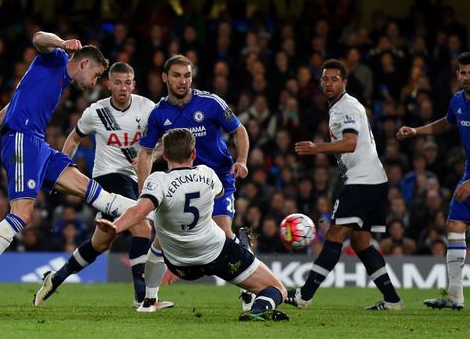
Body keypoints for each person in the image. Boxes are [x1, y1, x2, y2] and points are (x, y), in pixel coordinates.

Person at [0, 31, 143, 314]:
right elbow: (38, 37)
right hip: (22, 140)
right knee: (22, 213)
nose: (94, 84)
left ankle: (151, 210)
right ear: (84, 63)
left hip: (38, 145)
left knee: (89, 189)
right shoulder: (55, 59)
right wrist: (64, 43)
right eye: (97, 75)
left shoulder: (56, 82)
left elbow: (1, 115)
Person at [97, 128, 288, 322]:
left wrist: (116, 227)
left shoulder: (157, 181)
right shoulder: (208, 174)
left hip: (178, 264)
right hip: (217, 254)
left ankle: (149, 299)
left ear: (164, 155)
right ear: (193, 154)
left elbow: (139, 211)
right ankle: (258, 307)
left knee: (160, 235)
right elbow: (221, 193)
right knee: (277, 289)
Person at [34, 62, 173, 310]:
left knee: (101, 243)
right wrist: (62, 170)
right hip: (107, 177)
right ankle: (142, 297)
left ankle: (55, 278)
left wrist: (151, 155)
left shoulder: (148, 108)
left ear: (134, 84)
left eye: (127, 82)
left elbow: (165, 142)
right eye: (117, 82)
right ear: (109, 84)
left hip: (132, 180)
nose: (123, 88)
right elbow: (74, 137)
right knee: (142, 225)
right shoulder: (96, 112)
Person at [396, 51, 470, 314]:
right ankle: (455, 295)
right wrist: (416, 131)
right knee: (454, 224)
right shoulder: (457, 101)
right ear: (457, 74)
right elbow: (446, 123)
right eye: (462, 72)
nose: (467, 77)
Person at [135, 55, 253, 311]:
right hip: (179, 183)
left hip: (217, 179)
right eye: (177, 75)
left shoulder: (210, 103)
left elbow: (239, 130)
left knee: (224, 232)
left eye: (187, 75)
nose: (183, 81)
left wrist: (242, 160)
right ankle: (150, 300)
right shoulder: (158, 113)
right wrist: (144, 194)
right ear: (165, 78)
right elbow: (145, 153)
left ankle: (249, 290)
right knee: (161, 238)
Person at [287, 59, 404, 311]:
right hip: (374, 180)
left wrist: (317, 147)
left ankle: (304, 296)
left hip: (362, 181)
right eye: (325, 79)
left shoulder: (346, 107)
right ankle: (392, 300)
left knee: (334, 236)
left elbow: (350, 143)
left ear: (344, 82)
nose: (329, 84)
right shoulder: (341, 107)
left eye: (334, 79)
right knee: (361, 243)